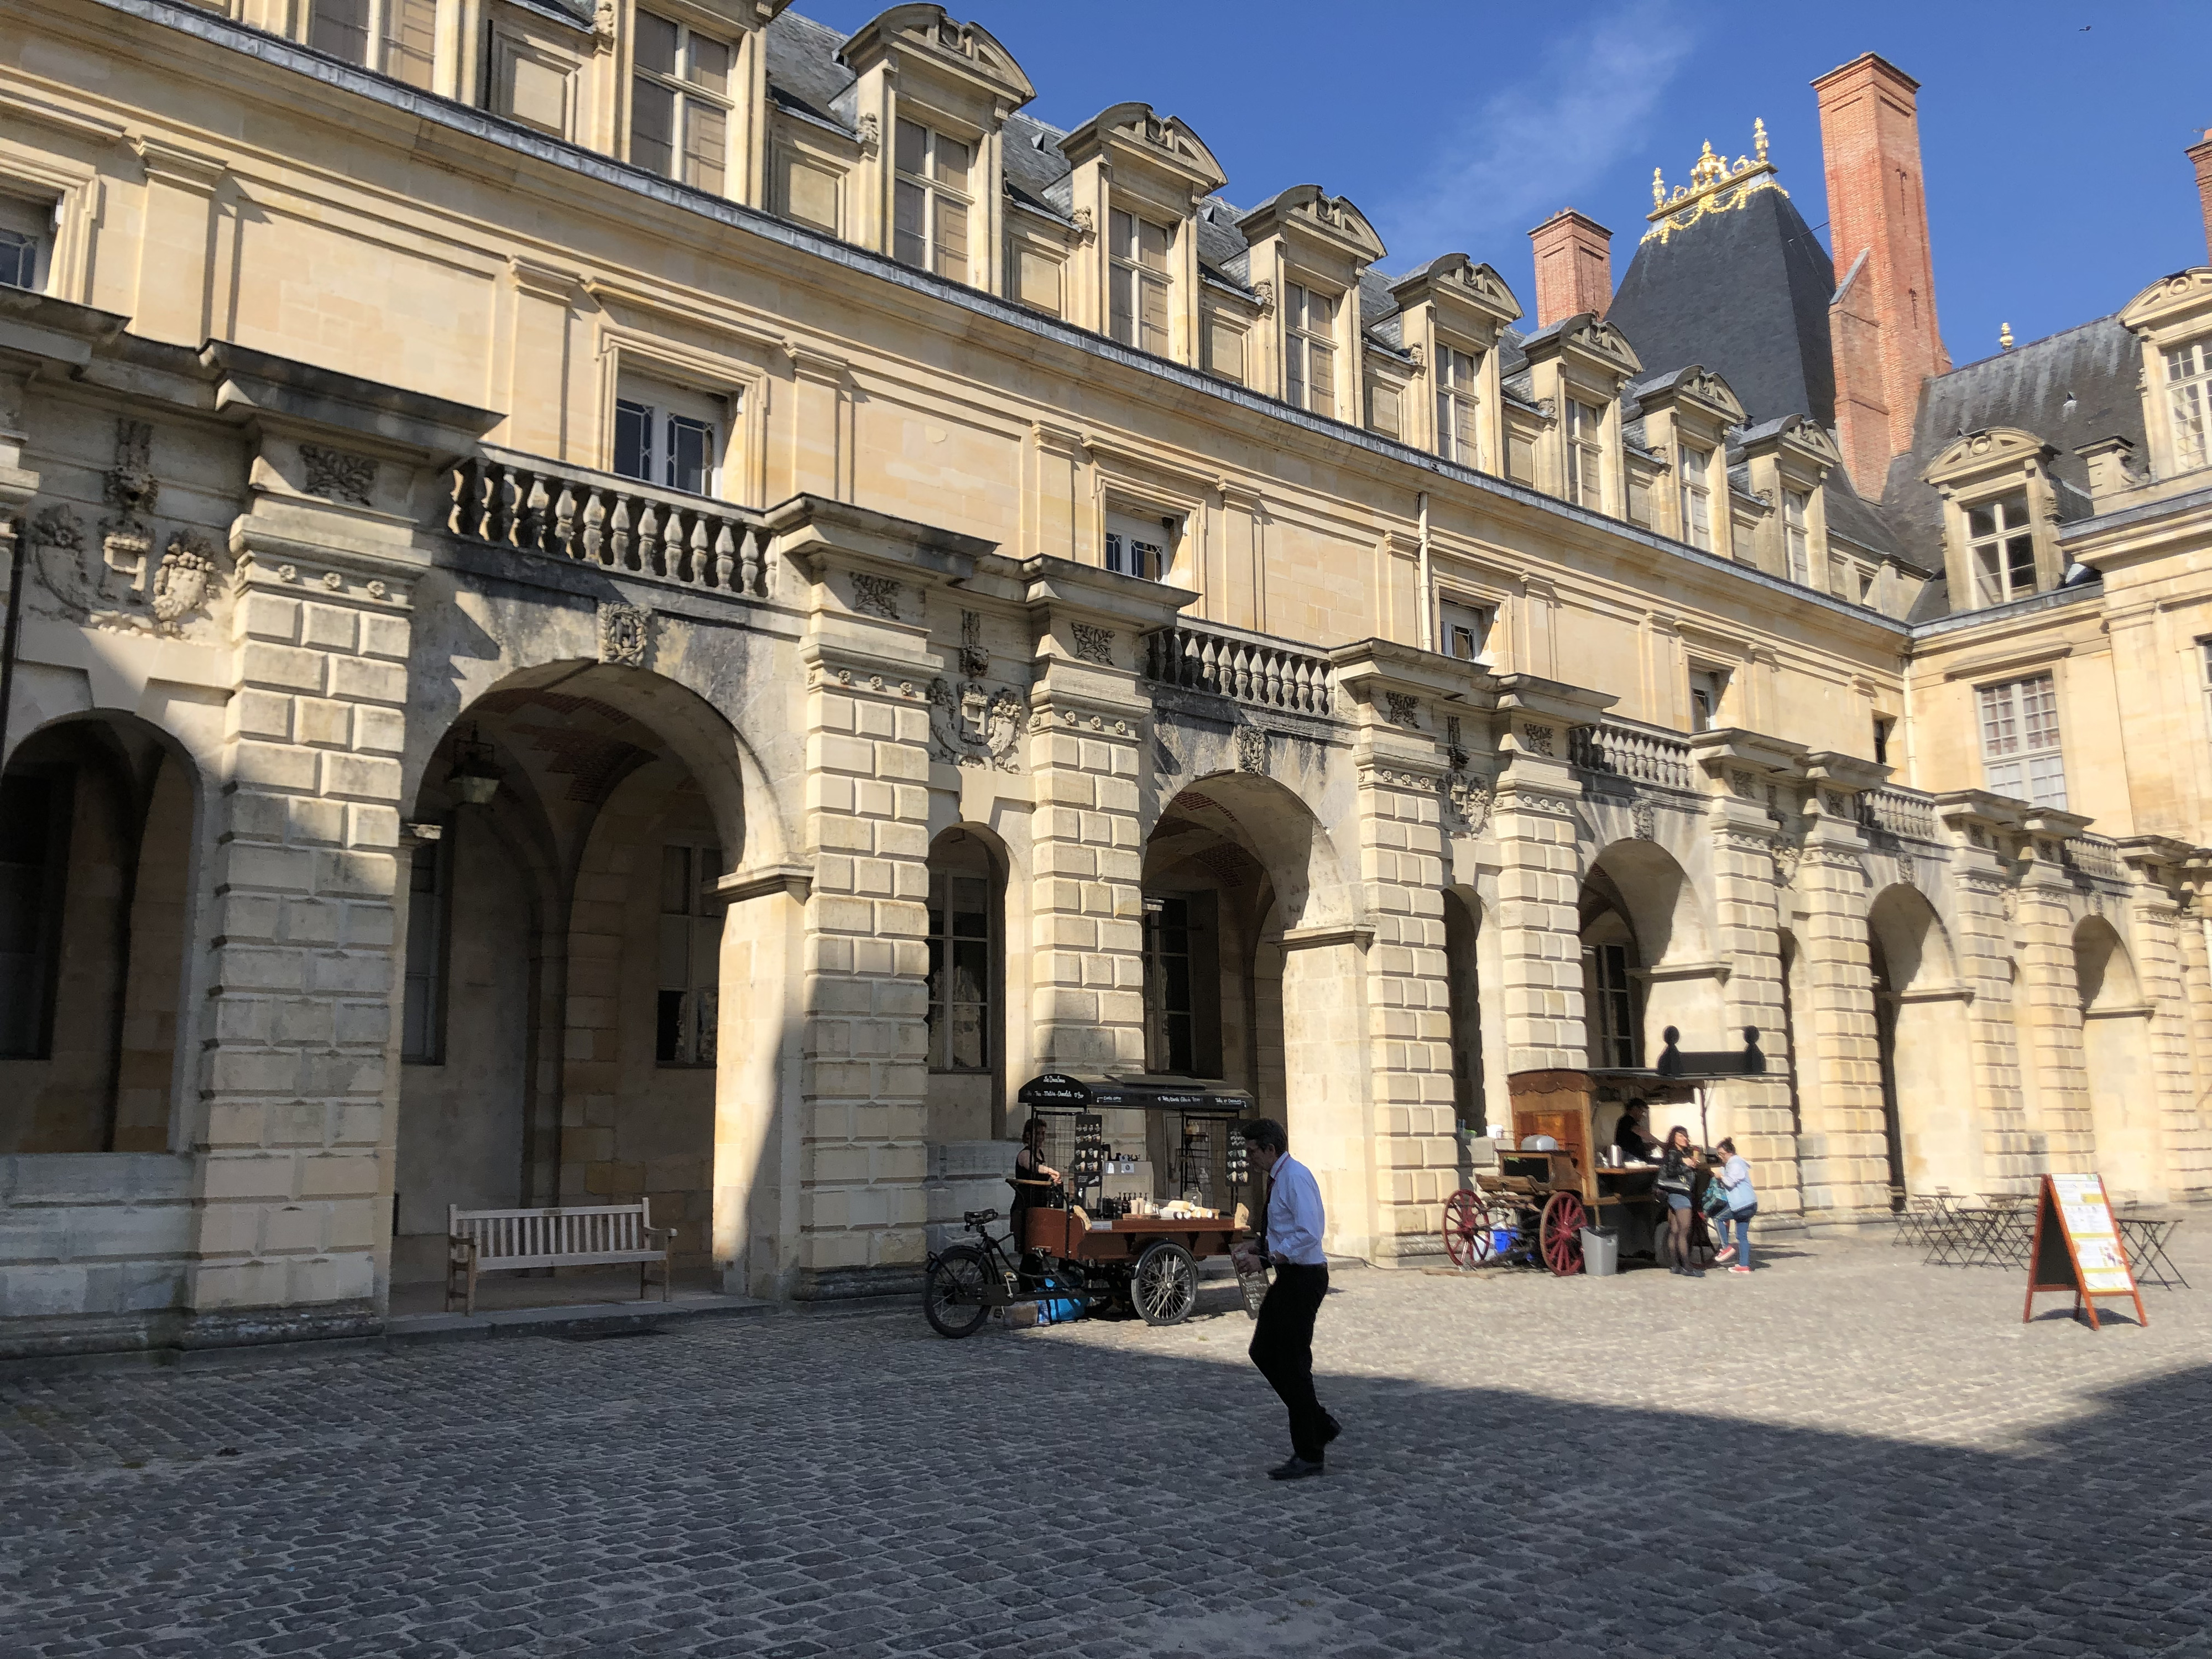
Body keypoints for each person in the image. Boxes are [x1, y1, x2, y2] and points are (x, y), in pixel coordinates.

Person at [1231, 1119, 1340, 1480]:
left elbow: (1309, 1232)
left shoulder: (1294, 1177)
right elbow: (1284, 1227)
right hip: (1291, 1276)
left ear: (1270, 1149)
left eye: (1252, 1152)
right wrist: (1259, 1245)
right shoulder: (1279, 1179)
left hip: (1304, 1277)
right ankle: (1318, 1423)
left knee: (1293, 1362)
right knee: (1263, 1351)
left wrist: (1267, 1258)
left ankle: (1310, 1453)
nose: (1249, 1159)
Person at [1008, 1117, 1061, 1256]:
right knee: (1030, 1253)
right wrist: (1051, 1171)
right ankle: (1028, 1279)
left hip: (1038, 1208)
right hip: (1025, 1208)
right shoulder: (1025, 1154)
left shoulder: (1040, 1154)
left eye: (1043, 1134)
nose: (1041, 1137)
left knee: (1038, 1255)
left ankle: (1035, 1278)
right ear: (1028, 1135)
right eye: (1038, 1133)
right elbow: (1034, 1167)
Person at [1655, 1125, 1704, 1277]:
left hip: (1675, 1193)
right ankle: (1687, 1267)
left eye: (1685, 1136)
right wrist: (1686, 1165)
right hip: (1679, 1193)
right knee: (1684, 1230)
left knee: (1675, 1230)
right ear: (1674, 1138)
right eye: (1681, 1136)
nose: (1685, 1139)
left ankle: (1675, 1265)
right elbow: (1670, 1171)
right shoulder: (1674, 1153)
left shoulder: (1682, 1153)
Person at [1712, 1137, 1756, 1273]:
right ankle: (1744, 1265)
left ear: (1730, 1153)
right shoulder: (1734, 1164)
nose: (1721, 1157)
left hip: (1742, 1205)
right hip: (1749, 1204)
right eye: (1719, 1154)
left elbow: (1730, 1182)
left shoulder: (1735, 1163)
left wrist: (1720, 1177)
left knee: (1718, 1217)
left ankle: (1726, 1247)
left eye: (1722, 1154)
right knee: (1742, 1236)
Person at [1614, 1099, 1661, 1163]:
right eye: (1642, 1112)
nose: (1642, 1115)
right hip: (1632, 1158)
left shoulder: (1628, 1121)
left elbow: (1630, 1142)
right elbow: (1640, 1132)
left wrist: (1645, 1146)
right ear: (1635, 1108)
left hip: (1634, 1156)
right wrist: (1660, 1143)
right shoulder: (1627, 1120)